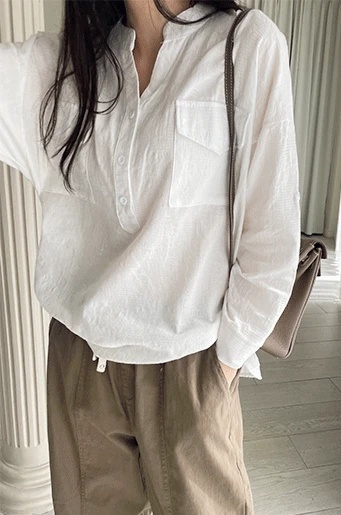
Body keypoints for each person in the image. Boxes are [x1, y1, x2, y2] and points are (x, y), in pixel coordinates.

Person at [0, 0, 301, 513]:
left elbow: (270, 234)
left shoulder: (245, 45)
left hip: (191, 366)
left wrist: (224, 365)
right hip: (82, 363)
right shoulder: (66, 66)